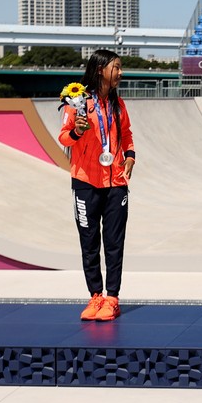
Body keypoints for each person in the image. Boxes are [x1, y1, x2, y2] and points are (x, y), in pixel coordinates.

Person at [59, 49, 136, 321]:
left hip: (116, 182)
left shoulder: (119, 105)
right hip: (85, 183)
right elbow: (64, 139)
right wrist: (78, 130)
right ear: (101, 69)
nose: (121, 73)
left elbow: (126, 135)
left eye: (121, 67)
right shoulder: (76, 103)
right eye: (116, 68)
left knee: (114, 242)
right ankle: (95, 296)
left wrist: (130, 156)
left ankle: (112, 298)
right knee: (89, 243)